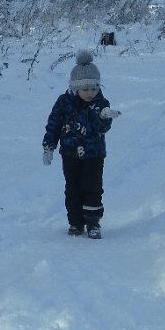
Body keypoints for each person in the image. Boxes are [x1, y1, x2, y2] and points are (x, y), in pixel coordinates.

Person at [42, 50, 120, 238]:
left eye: (93, 88)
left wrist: (104, 118)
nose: (90, 93)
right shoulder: (64, 102)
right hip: (70, 154)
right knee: (72, 188)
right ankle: (75, 223)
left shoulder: (101, 104)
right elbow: (54, 123)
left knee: (92, 188)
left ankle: (93, 223)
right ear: (75, 88)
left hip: (94, 155)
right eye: (85, 89)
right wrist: (49, 145)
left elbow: (101, 129)